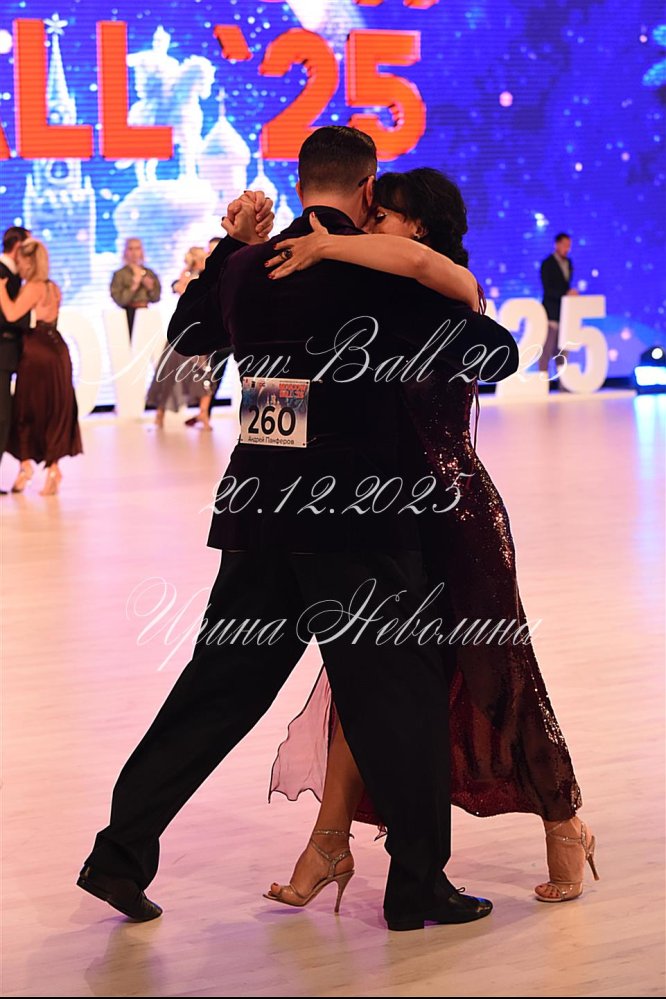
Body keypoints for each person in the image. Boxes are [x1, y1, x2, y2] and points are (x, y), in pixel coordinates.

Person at [77, 126, 519, 932]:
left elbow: (189, 338)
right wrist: (436, 279)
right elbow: (494, 352)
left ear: (298, 180)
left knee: (216, 691)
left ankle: (119, 851)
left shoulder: (250, 268)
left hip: (259, 513)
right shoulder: (372, 271)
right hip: (357, 522)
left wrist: (229, 248)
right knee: (403, 695)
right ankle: (418, 883)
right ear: (368, 189)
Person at [261, 169, 599, 907]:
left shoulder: (448, 289)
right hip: (390, 518)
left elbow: (419, 264)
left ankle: (564, 821)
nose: (367, 223)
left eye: (382, 215)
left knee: (496, 678)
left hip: (458, 516)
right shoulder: (374, 298)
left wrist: (323, 247)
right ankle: (328, 842)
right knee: (366, 685)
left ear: (417, 225)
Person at [0, 239, 83, 495]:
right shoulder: (53, 288)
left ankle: (26, 465)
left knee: (27, 409)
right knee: (55, 410)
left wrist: (1, 290)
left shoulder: (33, 288)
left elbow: (11, 314)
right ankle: (53, 469)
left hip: (37, 353)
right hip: (58, 351)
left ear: (28, 262)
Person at [146, 247, 213, 430]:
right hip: (182, 329)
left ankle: (203, 413)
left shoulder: (208, 275)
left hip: (200, 330)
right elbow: (181, 289)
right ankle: (159, 414)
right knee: (168, 373)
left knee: (204, 374)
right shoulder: (187, 275)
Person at [0, 226, 31, 494]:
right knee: (2, 416)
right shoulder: (2, 272)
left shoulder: (13, 274)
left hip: (9, 354)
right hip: (3, 352)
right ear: (18, 246)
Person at [540, 232, 577, 375]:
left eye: (569, 246)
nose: (567, 248)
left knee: (562, 352)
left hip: (565, 314)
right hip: (551, 314)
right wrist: (565, 293)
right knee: (546, 350)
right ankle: (542, 380)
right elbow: (548, 289)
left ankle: (563, 381)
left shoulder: (569, 263)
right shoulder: (547, 264)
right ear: (557, 244)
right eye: (565, 245)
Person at [110, 238, 161, 340]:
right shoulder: (119, 275)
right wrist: (134, 285)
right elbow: (119, 300)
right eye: (131, 249)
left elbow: (156, 298)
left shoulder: (149, 273)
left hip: (146, 313)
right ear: (125, 251)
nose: (134, 253)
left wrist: (150, 288)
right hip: (128, 316)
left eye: (137, 248)